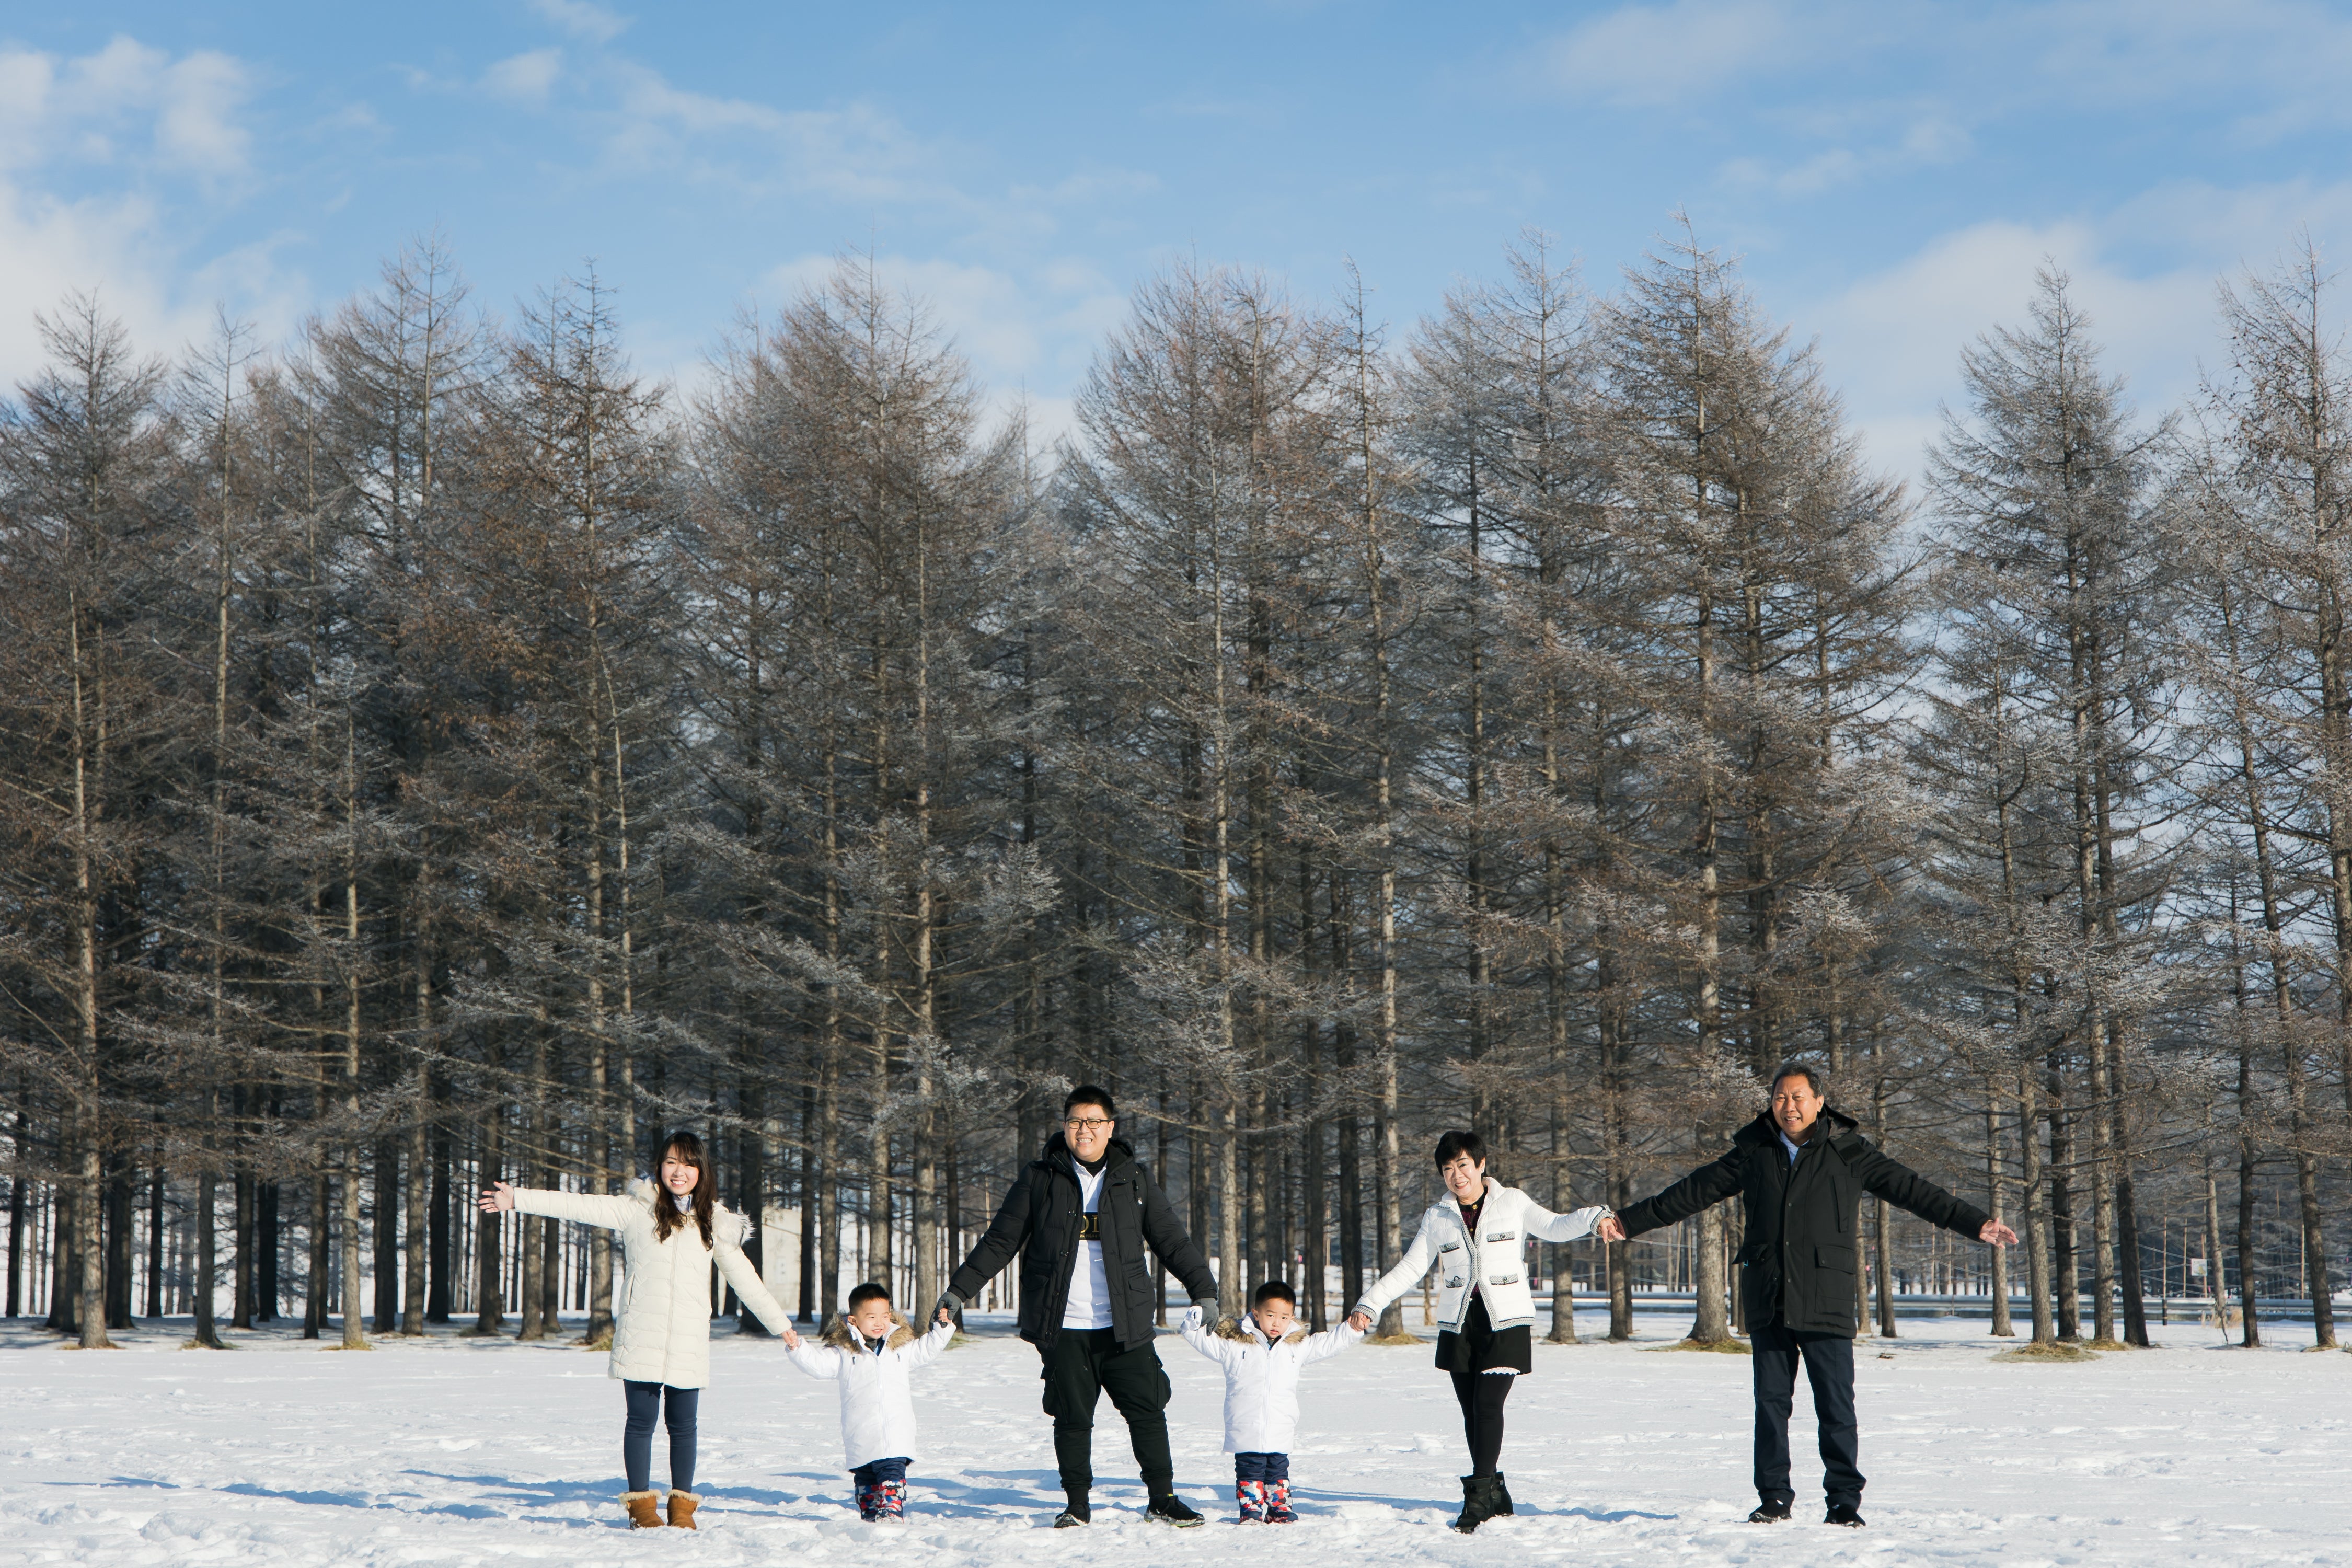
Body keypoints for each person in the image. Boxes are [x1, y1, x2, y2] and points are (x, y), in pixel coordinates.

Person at [1595, 1063, 2019, 1529]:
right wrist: (1628, 1221)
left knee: (1836, 1405)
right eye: (1780, 1098)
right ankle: (1774, 1497)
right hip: (1769, 1295)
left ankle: (1843, 1503)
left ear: (1819, 1103)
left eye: (1798, 1097)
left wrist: (1976, 1222)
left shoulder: (1849, 1152)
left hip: (1826, 1295)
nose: (1789, 1106)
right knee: (1771, 1404)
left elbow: (1914, 1190)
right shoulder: (1752, 1152)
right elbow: (1691, 1192)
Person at [939, 1083, 1223, 1528]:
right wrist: (959, 1291)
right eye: (1075, 1122)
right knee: (1072, 1418)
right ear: (1064, 1127)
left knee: (1147, 1410)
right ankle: (1077, 1504)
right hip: (1063, 1324)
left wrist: (1203, 1290)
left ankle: (1162, 1499)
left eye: (1093, 1122)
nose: (1083, 1130)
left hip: (1123, 1324)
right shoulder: (1040, 1178)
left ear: (1110, 1128)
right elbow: (1001, 1240)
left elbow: (1172, 1240)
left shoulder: (1135, 1179)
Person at [479, 1129, 792, 1530]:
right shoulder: (636, 1209)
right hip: (641, 1334)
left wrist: (780, 1324)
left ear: (702, 1170)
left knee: (684, 1426)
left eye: (689, 1164)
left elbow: (745, 1279)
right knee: (640, 1422)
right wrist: (518, 1199)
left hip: (688, 1340)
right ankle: (642, 1508)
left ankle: (683, 1509)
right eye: (672, 1163)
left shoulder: (715, 1222)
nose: (679, 1172)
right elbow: (577, 1205)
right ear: (660, 1166)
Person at [1346, 1130, 1611, 1534]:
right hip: (1460, 1325)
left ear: (1481, 1165)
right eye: (1448, 1169)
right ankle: (1496, 1488)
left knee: (1488, 1405)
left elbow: (1556, 1226)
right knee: (1472, 1411)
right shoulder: (1437, 1216)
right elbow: (1411, 1268)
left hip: (1506, 1321)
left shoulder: (1513, 1203)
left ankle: (1479, 1496)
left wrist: (1595, 1217)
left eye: (1463, 1166)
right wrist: (1371, 1302)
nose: (1457, 1176)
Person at [1176, 1279, 1362, 1523]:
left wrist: (1353, 1329)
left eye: (1284, 1317)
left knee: (1278, 1468)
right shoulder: (1233, 1343)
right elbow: (1198, 1337)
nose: (1277, 1323)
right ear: (1256, 1313)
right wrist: (1195, 1317)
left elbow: (1328, 1343)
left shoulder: (1297, 1346)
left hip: (1280, 1422)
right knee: (1250, 1468)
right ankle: (1251, 1509)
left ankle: (1279, 1508)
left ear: (1292, 1317)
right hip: (1245, 1422)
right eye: (1271, 1315)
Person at [779, 1281, 957, 1521]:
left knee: (892, 1474)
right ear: (853, 1320)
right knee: (867, 1482)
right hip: (861, 1431)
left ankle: (892, 1511)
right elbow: (818, 1365)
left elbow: (927, 1349)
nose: (880, 1323)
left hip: (896, 1430)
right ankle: (872, 1517)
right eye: (871, 1317)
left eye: (885, 1316)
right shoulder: (844, 1352)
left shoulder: (900, 1348)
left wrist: (941, 1328)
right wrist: (797, 1347)